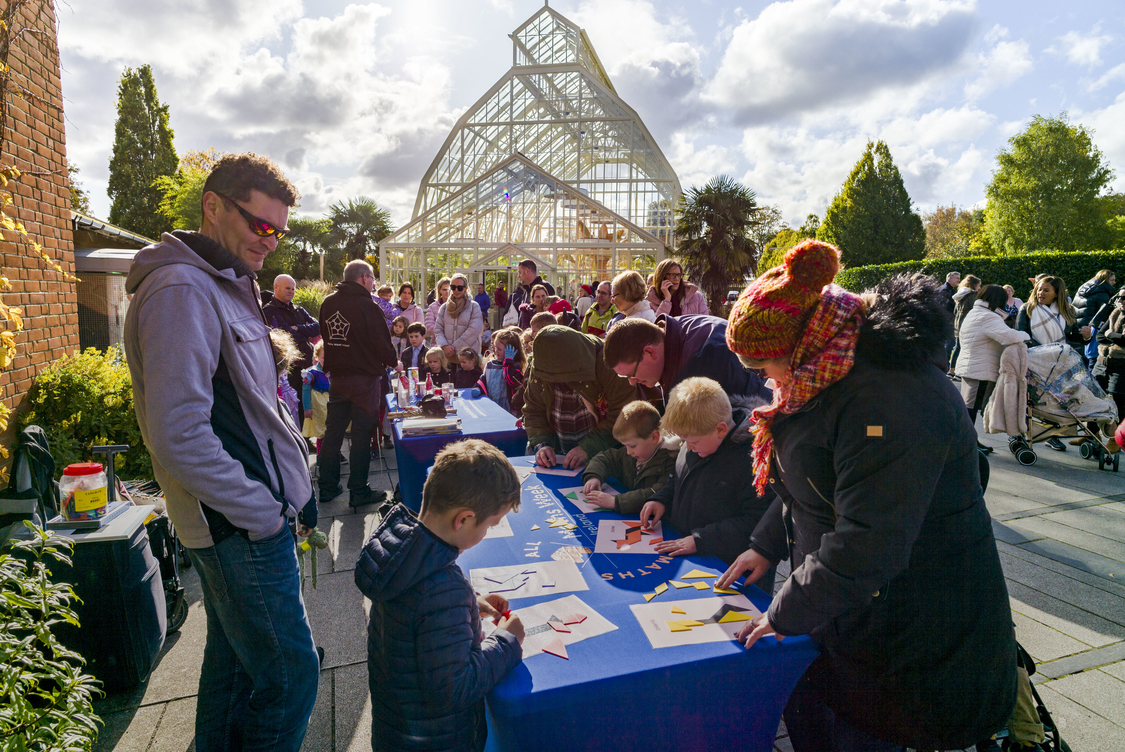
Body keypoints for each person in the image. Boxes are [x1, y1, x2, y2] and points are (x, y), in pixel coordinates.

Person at [718, 240, 1016, 752]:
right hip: (859, 616)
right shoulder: (825, 375)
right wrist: (766, 545)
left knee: (873, 733)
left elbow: (869, 540)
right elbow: (808, 483)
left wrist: (784, 611)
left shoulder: (887, 394)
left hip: (917, 627)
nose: (763, 377)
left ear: (802, 343)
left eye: (763, 363)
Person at [123, 152, 320, 750]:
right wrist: (261, 511)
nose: (271, 242)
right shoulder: (182, 287)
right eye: (261, 225)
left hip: (243, 520)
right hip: (238, 527)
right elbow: (178, 432)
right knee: (291, 678)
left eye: (279, 231)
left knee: (234, 670)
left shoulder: (223, 282)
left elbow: (252, 406)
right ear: (213, 205)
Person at [355, 440, 525, 752]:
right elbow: (454, 688)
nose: (487, 532)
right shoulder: (444, 587)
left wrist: (473, 601)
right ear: (463, 519)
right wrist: (506, 641)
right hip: (438, 741)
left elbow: (419, 612)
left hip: (398, 730)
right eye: (490, 525)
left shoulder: (400, 557)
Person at [634, 377, 772, 574]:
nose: (688, 447)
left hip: (728, 567)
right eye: (684, 441)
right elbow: (679, 477)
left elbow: (757, 520)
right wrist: (662, 499)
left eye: (693, 442)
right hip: (688, 552)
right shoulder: (698, 441)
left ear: (720, 429)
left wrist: (701, 539)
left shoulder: (754, 459)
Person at [319, 259, 398, 507]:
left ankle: (327, 487)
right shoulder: (368, 306)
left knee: (333, 434)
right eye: (372, 279)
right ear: (364, 278)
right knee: (362, 435)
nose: (373, 283)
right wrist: (393, 361)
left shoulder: (328, 303)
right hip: (364, 380)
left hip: (338, 378)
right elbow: (382, 344)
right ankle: (358, 490)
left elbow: (325, 336)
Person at [523, 325, 638, 469]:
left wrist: (589, 447)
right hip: (559, 454)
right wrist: (541, 444)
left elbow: (623, 414)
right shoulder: (539, 366)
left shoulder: (607, 362)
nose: (559, 381)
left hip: (607, 454)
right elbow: (533, 410)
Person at [603, 315, 772, 412]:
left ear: (649, 352)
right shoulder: (674, 330)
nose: (632, 382)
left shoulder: (697, 366)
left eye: (631, 374)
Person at [954, 285, 1030, 453]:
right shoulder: (988, 317)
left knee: (970, 407)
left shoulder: (975, 313)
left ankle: (971, 442)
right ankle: (966, 445)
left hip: (971, 367)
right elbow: (1008, 336)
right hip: (982, 370)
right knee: (971, 409)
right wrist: (1026, 336)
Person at [580, 400, 677, 514]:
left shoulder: (670, 462)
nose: (628, 452)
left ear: (654, 437)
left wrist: (615, 502)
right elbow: (605, 458)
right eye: (625, 446)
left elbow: (656, 493)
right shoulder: (633, 454)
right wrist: (594, 477)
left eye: (632, 446)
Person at [264, 273, 320, 416]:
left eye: (293, 289)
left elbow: (318, 327)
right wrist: (303, 331)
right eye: (288, 288)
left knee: (305, 406)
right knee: (290, 407)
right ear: (276, 288)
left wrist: (299, 327)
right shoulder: (269, 310)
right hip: (287, 368)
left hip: (306, 365)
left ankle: (304, 438)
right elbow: (287, 334)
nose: (291, 292)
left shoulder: (299, 309)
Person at [1016, 276, 1092, 351]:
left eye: (1046, 290)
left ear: (1057, 294)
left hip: (1060, 358)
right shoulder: (1027, 308)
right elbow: (1021, 335)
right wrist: (1045, 350)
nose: (1040, 293)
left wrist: (1086, 336)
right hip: (1034, 357)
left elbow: (1073, 338)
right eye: (1039, 290)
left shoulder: (1068, 310)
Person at [478, 327, 526, 417]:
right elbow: (484, 378)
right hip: (492, 405)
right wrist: (478, 387)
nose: (496, 351)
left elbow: (512, 382)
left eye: (499, 349)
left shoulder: (516, 366)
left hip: (509, 409)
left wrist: (508, 362)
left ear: (511, 350)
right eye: (495, 348)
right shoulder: (490, 364)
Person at [434, 272, 485, 358]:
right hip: (448, 357)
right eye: (453, 287)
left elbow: (473, 330)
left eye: (460, 288)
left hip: (468, 357)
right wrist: (445, 346)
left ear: (465, 288)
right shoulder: (444, 308)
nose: (456, 290)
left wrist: (454, 348)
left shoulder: (473, 307)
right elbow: (438, 329)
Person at [1094, 289, 1125, 419]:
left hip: (1120, 365)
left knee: (1120, 402)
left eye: (1123, 298)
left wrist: (1110, 334)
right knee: (1094, 397)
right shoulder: (1115, 312)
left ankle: (1118, 437)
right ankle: (1091, 434)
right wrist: (1115, 337)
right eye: (1118, 297)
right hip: (1102, 362)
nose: (1119, 301)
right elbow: (1100, 336)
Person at [949, 274, 981, 374]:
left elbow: (955, 311)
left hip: (958, 324)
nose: (980, 288)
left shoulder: (960, 295)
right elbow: (974, 310)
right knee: (964, 349)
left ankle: (952, 370)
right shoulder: (972, 296)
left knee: (957, 347)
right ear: (974, 285)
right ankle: (959, 371)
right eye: (978, 285)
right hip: (966, 325)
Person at [302, 340, 330, 450]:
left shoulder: (334, 371)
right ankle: (321, 455)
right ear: (317, 357)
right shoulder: (312, 373)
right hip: (319, 406)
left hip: (331, 404)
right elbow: (306, 390)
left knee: (333, 430)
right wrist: (307, 408)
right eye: (323, 358)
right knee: (322, 431)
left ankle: (334, 453)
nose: (327, 361)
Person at [426, 277, 451, 343]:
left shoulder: (458, 306)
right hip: (437, 346)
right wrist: (447, 329)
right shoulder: (433, 307)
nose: (447, 292)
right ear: (440, 291)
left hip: (454, 346)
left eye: (449, 289)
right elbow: (428, 328)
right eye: (444, 289)